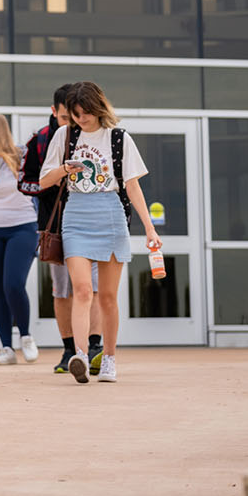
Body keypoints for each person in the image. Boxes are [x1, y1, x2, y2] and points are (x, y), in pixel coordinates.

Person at [39, 82, 162, 384]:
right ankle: (80, 354)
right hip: (76, 216)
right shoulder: (64, 135)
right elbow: (44, 180)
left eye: (86, 113)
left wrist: (149, 227)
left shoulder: (118, 138)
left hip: (110, 214)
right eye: (76, 114)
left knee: (106, 297)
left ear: (98, 108)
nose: (82, 119)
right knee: (81, 290)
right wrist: (65, 170)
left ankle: (108, 358)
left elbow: (132, 185)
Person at [19, 84, 104, 375]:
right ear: (54, 112)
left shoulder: (97, 137)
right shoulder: (41, 140)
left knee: (91, 286)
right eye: (67, 116)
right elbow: (26, 182)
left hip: (92, 221)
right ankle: (69, 349)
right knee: (63, 290)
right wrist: (54, 181)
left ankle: (94, 346)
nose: (75, 121)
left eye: (79, 115)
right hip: (54, 224)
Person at [0, 112, 38, 365]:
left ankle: (25, 336)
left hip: (23, 226)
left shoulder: (21, 155)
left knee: (13, 284)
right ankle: (6, 348)